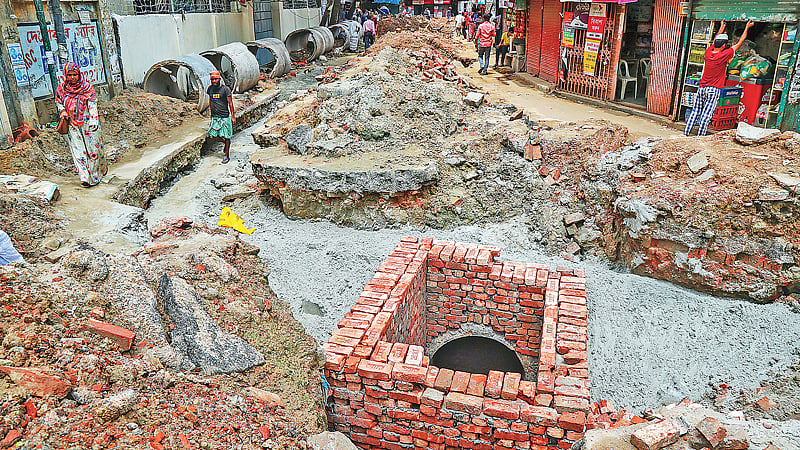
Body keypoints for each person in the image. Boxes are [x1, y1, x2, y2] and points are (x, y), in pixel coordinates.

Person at [685, 19, 753, 136]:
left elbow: (716, 39)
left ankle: (686, 134)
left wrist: (721, 27)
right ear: (723, 45)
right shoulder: (724, 55)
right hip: (713, 89)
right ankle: (700, 137)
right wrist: (747, 27)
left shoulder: (708, 52)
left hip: (702, 88)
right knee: (706, 115)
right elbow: (740, 42)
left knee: (695, 112)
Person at [55, 62, 107, 187]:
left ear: (79, 74)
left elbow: (92, 104)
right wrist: (62, 111)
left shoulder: (87, 88)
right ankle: (84, 178)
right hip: (72, 123)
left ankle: (95, 176)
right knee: (78, 151)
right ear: (65, 75)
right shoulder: (62, 88)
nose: (72, 78)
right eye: (69, 75)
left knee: (93, 150)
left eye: (75, 75)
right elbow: (58, 101)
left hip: (88, 121)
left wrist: (94, 120)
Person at [206, 71, 235, 164]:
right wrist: (211, 113)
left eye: (216, 79)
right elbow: (210, 101)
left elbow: (230, 103)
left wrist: (233, 116)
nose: (214, 81)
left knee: (227, 137)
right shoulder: (210, 89)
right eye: (212, 79)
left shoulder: (225, 89)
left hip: (224, 116)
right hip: (215, 116)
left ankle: (226, 155)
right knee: (213, 135)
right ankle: (225, 145)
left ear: (219, 79)